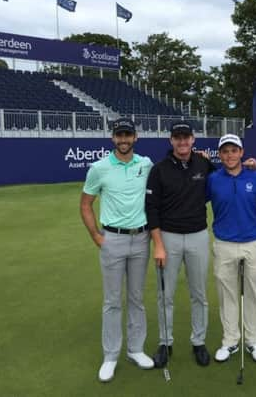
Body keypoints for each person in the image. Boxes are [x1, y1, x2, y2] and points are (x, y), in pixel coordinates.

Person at [80, 118, 154, 383]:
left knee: (136, 298)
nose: (123, 139)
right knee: (112, 301)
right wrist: (96, 237)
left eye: (128, 135)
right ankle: (110, 356)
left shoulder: (145, 164)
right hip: (112, 239)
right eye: (119, 135)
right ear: (112, 138)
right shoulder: (99, 168)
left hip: (141, 238)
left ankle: (136, 349)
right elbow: (86, 204)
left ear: (135, 137)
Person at [145, 121, 215, 368]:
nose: (182, 142)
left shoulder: (204, 163)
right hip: (168, 237)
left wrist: (248, 167)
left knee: (199, 294)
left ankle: (199, 341)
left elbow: (228, 174)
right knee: (166, 295)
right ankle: (165, 342)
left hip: (198, 235)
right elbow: (151, 209)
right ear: (171, 141)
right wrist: (158, 244)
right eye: (178, 137)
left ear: (193, 139)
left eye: (186, 137)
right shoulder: (159, 170)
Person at [206, 134, 256, 363]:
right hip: (224, 244)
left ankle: (254, 341)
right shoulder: (212, 179)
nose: (230, 155)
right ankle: (230, 341)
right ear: (220, 155)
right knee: (227, 295)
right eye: (225, 151)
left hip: (252, 243)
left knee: (252, 293)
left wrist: (254, 167)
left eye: (234, 150)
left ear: (242, 153)